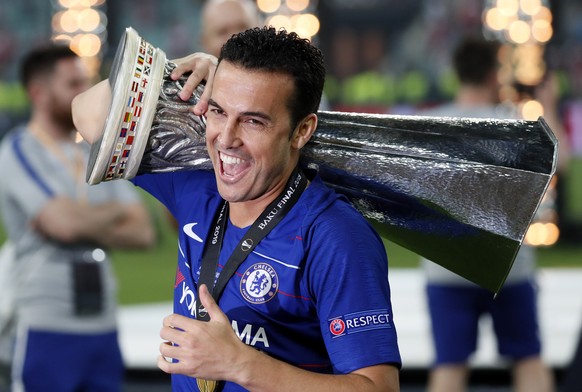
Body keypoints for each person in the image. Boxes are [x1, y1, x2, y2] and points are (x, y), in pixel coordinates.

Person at [73, 26, 401, 391]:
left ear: (301, 131)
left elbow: (379, 387)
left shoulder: (335, 237)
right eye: (218, 111)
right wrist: (173, 71)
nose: (226, 138)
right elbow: (87, 114)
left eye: (252, 120)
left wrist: (241, 364)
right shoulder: (199, 186)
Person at [0, 43, 156, 391]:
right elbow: (63, 224)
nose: (84, 93)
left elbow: (143, 230)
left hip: (102, 323)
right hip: (46, 324)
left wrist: (74, 220)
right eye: (72, 84)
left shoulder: (94, 152)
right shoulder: (18, 151)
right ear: (38, 92)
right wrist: (112, 215)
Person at [417, 37, 555, 392]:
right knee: (528, 357)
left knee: (449, 364)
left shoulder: (430, 125)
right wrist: (549, 104)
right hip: (508, 266)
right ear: (495, 75)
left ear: (456, 73)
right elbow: (562, 161)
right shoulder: (515, 125)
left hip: (447, 266)